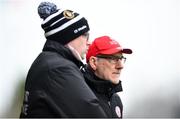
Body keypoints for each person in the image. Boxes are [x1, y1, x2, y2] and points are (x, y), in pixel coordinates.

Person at [20, 2, 107, 118]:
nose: (89, 42)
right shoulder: (59, 68)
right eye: (85, 35)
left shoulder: (49, 62)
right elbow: (91, 113)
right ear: (69, 36)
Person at [82, 36, 132, 118]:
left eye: (121, 58)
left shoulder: (115, 99)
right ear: (94, 62)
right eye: (113, 59)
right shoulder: (80, 94)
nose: (121, 66)